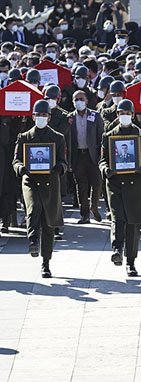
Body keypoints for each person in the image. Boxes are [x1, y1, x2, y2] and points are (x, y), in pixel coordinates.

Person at [13, 100, 67, 278]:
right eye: (38, 115)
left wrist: (59, 168)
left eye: (44, 115)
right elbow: (16, 160)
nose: (41, 118)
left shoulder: (58, 138)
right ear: (33, 116)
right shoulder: (24, 137)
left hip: (50, 181)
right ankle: (33, 240)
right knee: (33, 208)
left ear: (49, 117)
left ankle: (46, 263)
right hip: (30, 179)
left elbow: (63, 161)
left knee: (48, 222)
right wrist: (21, 168)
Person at [100, 99, 141, 277]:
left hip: (135, 184)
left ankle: (131, 262)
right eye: (121, 113)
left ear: (132, 114)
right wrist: (105, 169)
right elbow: (103, 160)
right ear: (117, 115)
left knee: (133, 224)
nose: (125, 116)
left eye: (128, 113)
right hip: (115, 183)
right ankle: (117, 250)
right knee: (117, 217)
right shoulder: (108, 136)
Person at [68, 90, 104, 224]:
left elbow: (101, 136)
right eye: (76, 99)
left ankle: (94, 206)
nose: (79, 102)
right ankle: (84, 214)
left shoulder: (95, 116)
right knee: (81, 186)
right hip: (78, 156)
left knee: (97, 183)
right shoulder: (69, 118)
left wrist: (101, 155)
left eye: (81, 99)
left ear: (87, 101)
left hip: (92, 155)